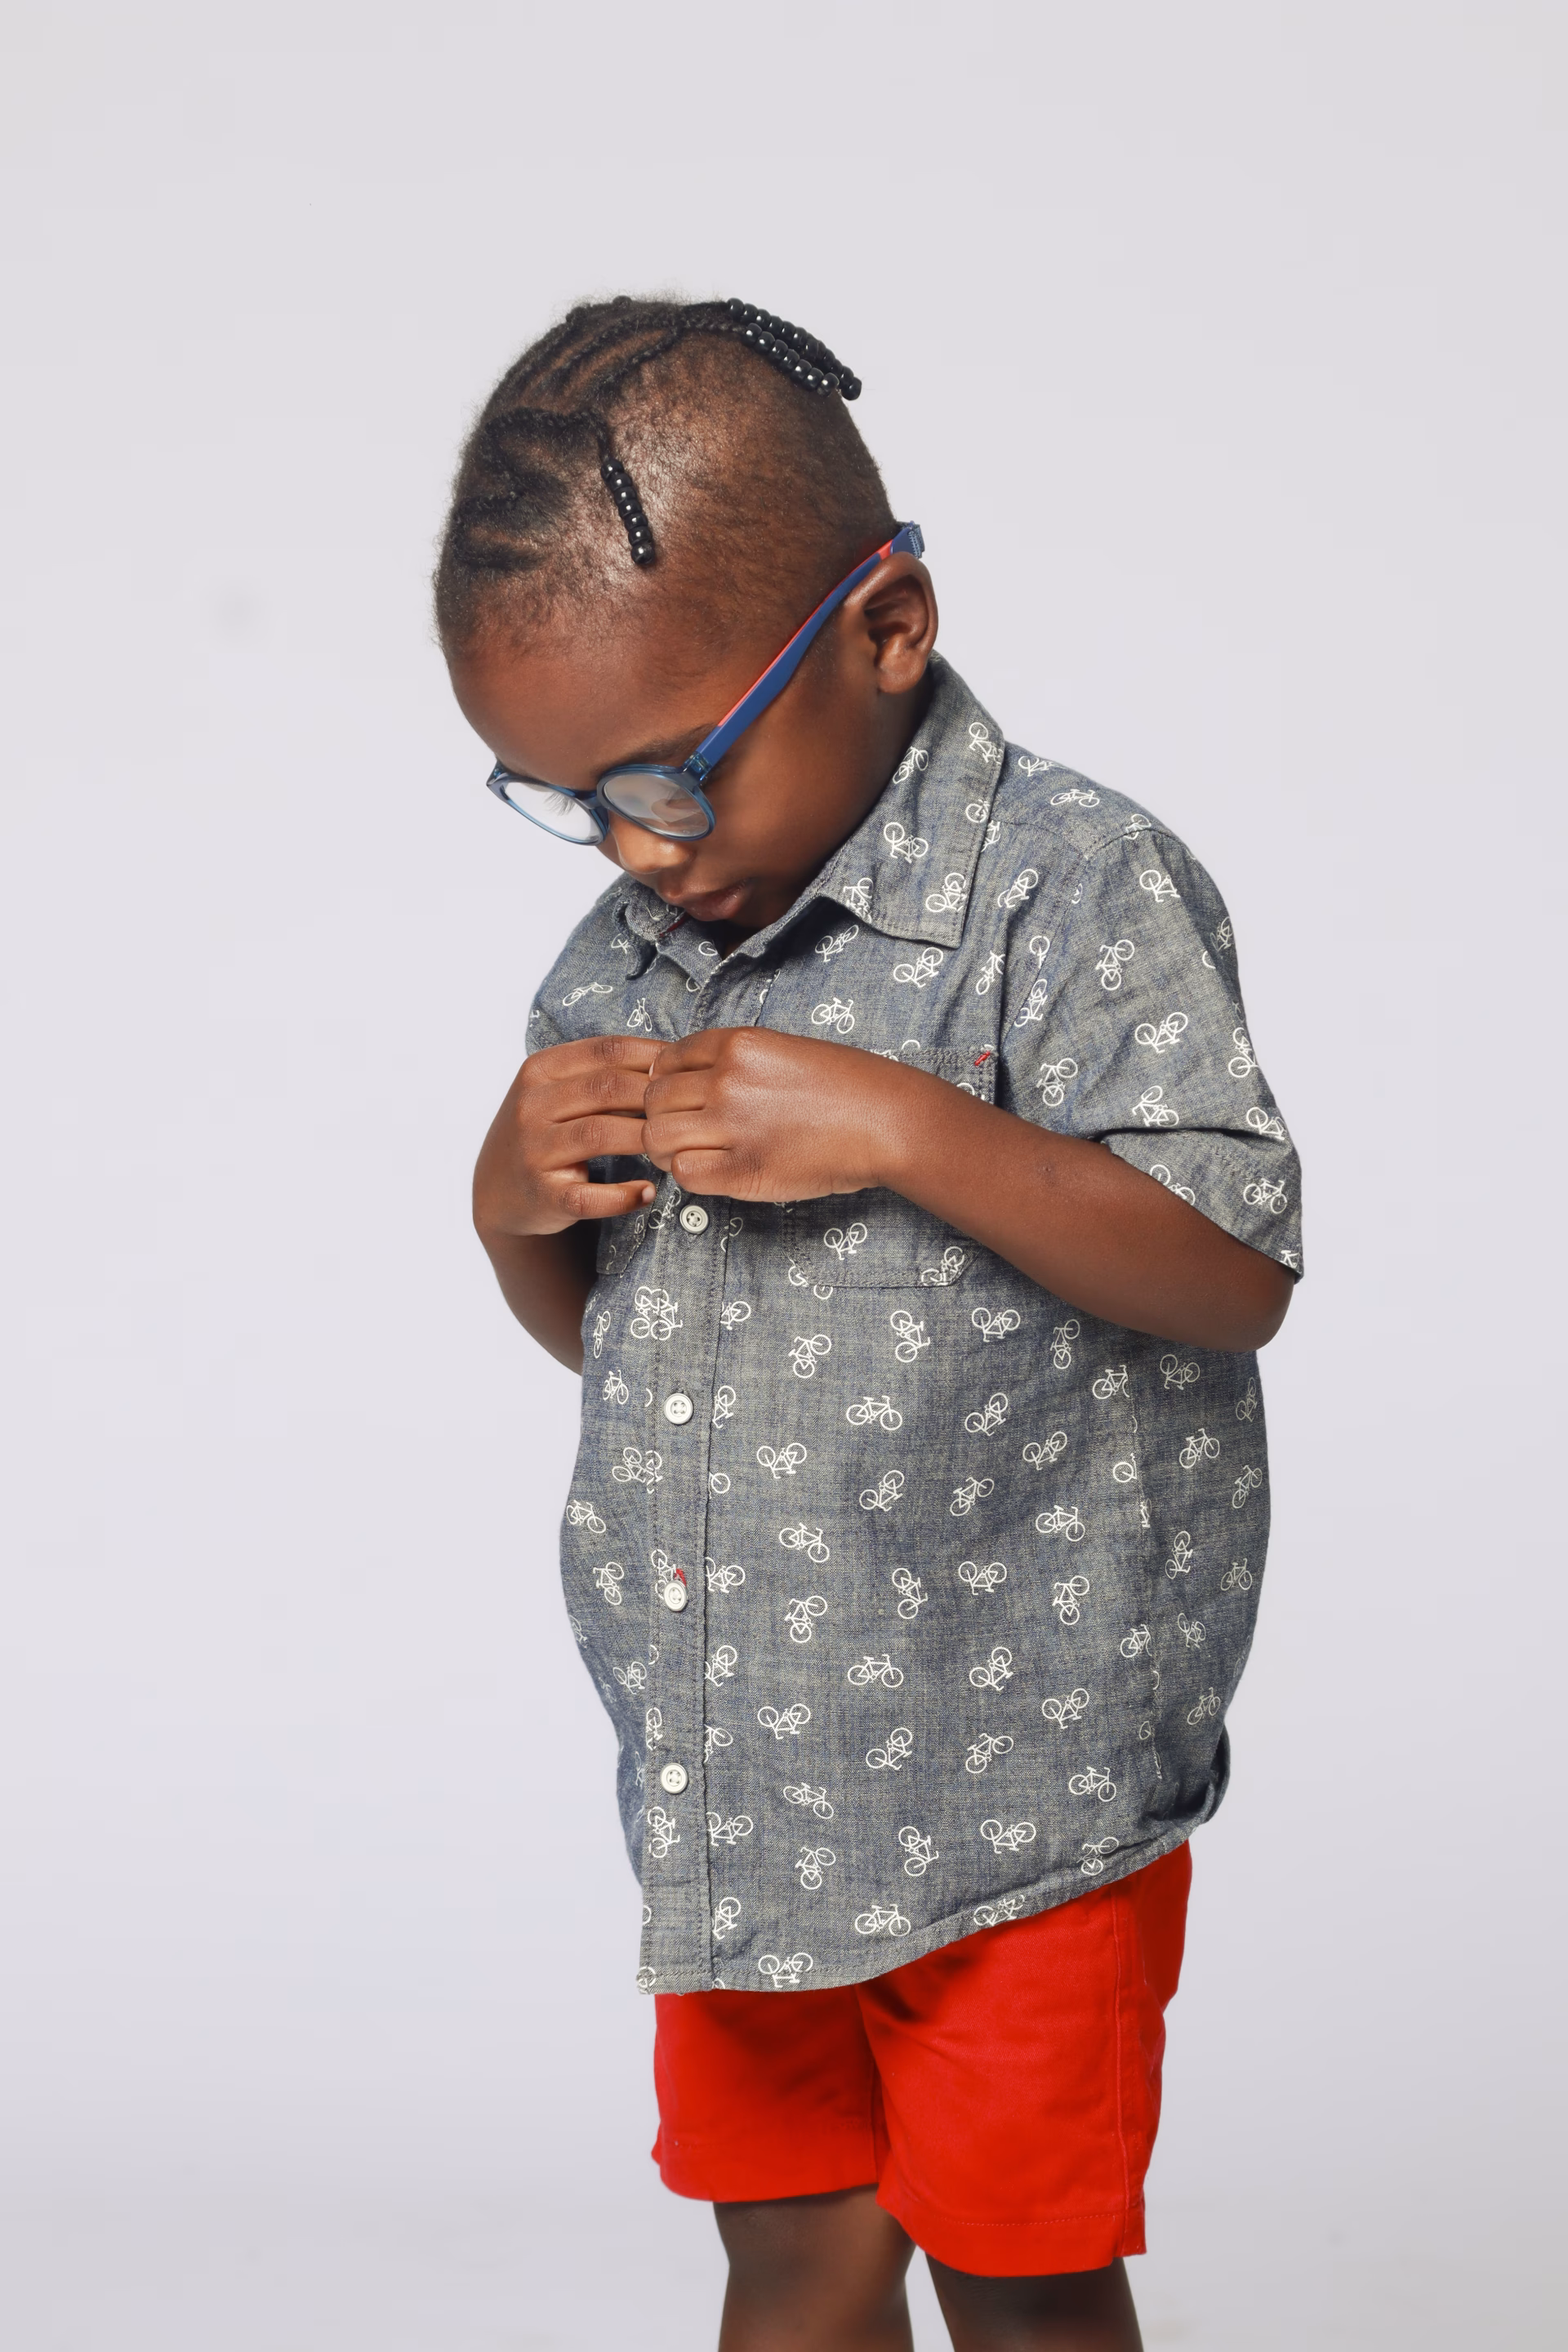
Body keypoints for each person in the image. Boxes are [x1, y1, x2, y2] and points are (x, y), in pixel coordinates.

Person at [436, 296, 1301, 2352]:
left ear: (885, 628)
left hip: (1026, 1807)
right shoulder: (627, 959)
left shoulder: (1070, 890)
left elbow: (1235, 1263)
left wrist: (911, 1128)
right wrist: (506, 1209)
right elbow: (636, 1362)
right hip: (746, 1795)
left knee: (1022, 2276)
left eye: (668, 776)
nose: (636, 847)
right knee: (797, 2263)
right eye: (564, 798)